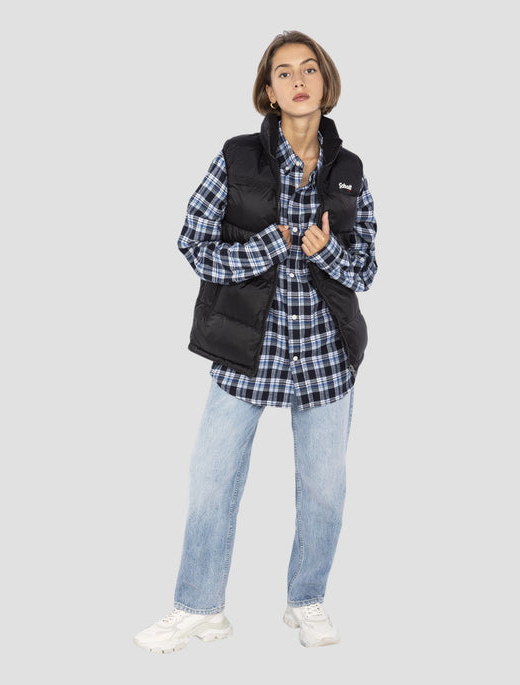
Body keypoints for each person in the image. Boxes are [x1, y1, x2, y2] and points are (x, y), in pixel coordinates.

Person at [134, 30, 378, 653]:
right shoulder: (236, 158)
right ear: (268, 92)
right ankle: (199, 608)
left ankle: (307, 599)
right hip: (246, 350)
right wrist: (269, 245)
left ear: (325, 82)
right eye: (283, 72)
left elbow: (367, 269)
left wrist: (328, 254)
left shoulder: (350, 172)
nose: (298, 80)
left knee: (324, 493)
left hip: (324, 354)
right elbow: (193, 243)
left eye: (309, 69)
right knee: (211, 481)